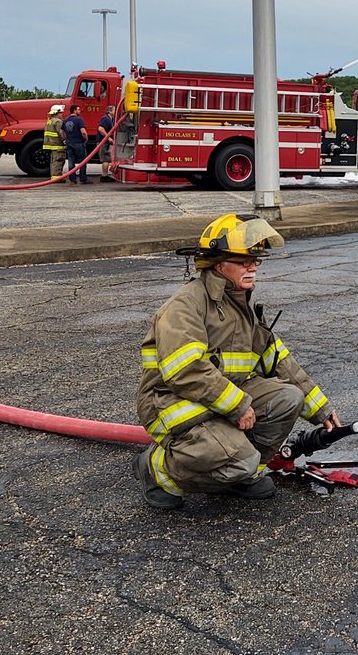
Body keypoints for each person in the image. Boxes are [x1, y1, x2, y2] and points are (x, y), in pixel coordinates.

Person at [132, 212, 342, 510]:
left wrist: (321, 410)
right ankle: (159, 470)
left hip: (221, 398)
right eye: (244, 261)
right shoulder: (185, 306)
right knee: (241, 461)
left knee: (288, 397)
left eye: (256, 261)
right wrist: (237, 404)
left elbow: (278, 360)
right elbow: (186, 371)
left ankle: (237, 474)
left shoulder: (243, 306)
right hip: (173, 404)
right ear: (218, 264)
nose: (253, 267)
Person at [61, 103, 89, 184]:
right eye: (78, 109)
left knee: (71, 161)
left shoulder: (66, 120)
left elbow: (61, 131)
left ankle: (72, 179)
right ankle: (83, 179)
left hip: (69, 143)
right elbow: (83, 132)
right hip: (78, 143)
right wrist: (86, 139)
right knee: (83, 162)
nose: (80, 111)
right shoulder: (79, 120)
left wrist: (64, 139)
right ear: (74, 110)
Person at [43, 104, 67, 182]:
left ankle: (55, 176)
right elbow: (61, 132)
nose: (62, 114)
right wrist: (65, 140)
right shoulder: (58, 121)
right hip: (57, 145)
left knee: (53, 161)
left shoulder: (49, 121)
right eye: (61, 113)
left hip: (51, 144)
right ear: (56, 113)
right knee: (58, 161)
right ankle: (57, 178)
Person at [96, 107, 116, 182]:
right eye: (114, 110)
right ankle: (104, 176)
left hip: (105, 142)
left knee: (107, 159)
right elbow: (100, 129)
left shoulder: (110, 119)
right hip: (103, 142)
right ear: (110, 111)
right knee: (106, 159)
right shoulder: (106, 119)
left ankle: (105, 175)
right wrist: (108, 138)